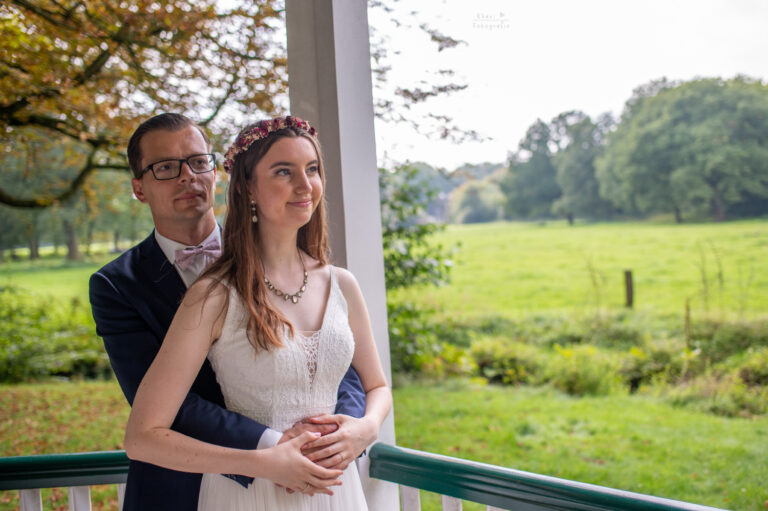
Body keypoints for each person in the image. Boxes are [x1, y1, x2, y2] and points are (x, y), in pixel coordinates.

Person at [89, 113, 368, 510]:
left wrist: (338, 435)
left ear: (218, 172)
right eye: (166, 168)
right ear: (139, 187)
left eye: (199, 162)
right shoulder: (117, 285)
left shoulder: (281, 254)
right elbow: (172, 404)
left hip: (315, 475)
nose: (188, 177)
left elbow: (337, 359)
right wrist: (273, 447)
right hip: (184, 482)